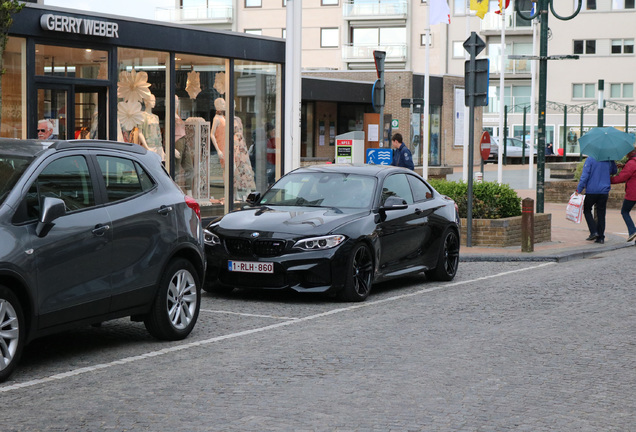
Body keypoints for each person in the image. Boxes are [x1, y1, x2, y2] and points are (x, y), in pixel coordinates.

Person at [576, 156, 618, 244]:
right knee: (601, 214)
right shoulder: (609, 159)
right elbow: (614, 171)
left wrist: (579, 189)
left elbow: (585, 175)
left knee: (587, 209)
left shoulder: (590, 159)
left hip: (592, 190)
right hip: (604, 191)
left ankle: (594, 231)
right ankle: (601, 237)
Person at [610, 147, 636, 243]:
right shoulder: (632, 162)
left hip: (633, 193)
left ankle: (632, 231)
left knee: (624, 211)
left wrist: (607, 179)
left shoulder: (631, 163)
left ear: (629, 153)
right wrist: (624, 166)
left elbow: (621, 178)